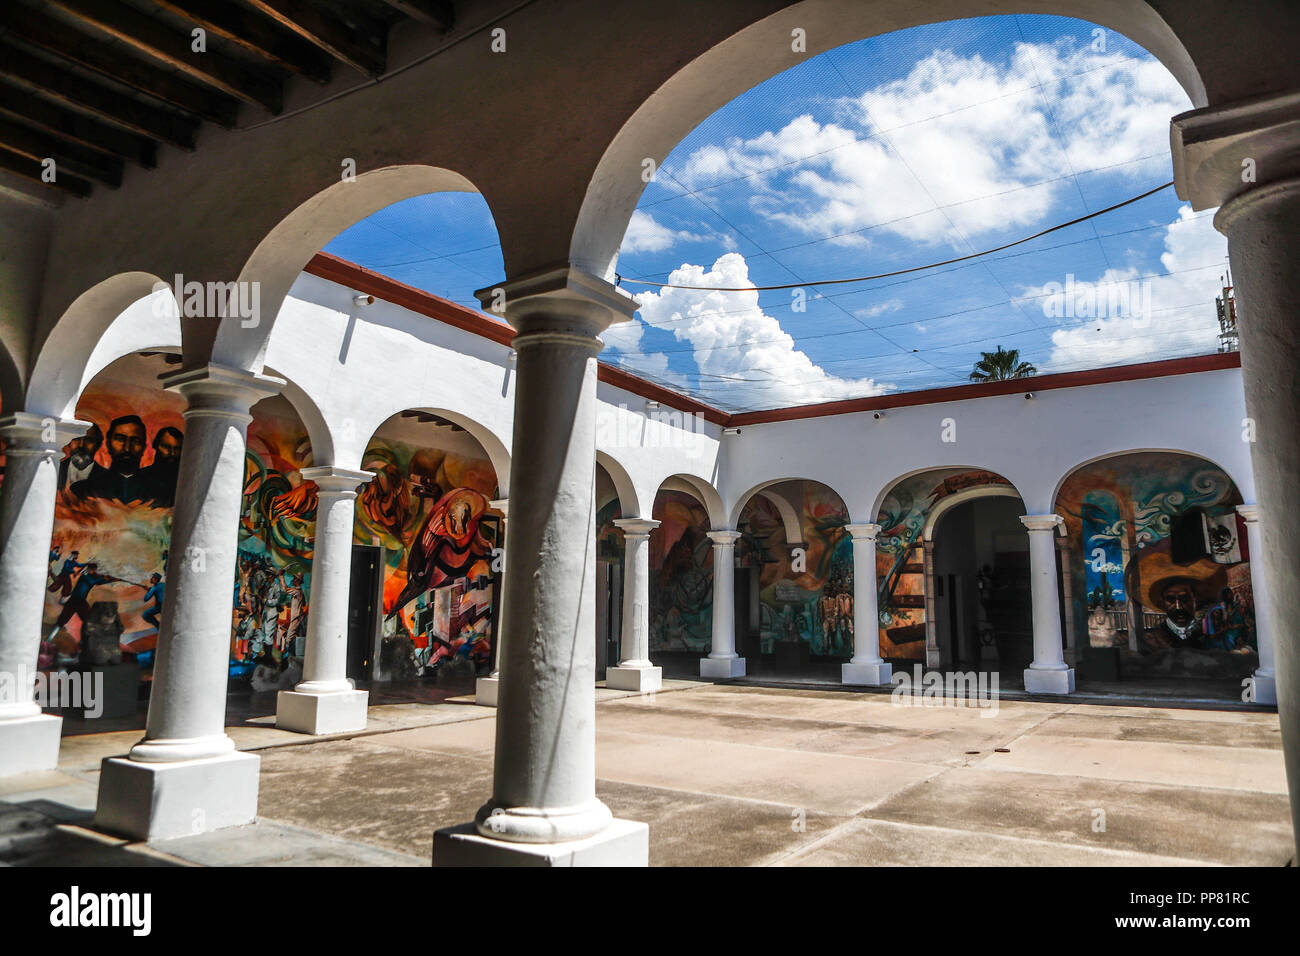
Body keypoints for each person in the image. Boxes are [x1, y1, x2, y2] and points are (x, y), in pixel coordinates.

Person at [70, 415, 152, 503]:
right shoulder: (82, 490)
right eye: (120, 440)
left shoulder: (157, 491)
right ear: (108, 444)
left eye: (135, 441)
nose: (127, 448)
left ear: (144, 447)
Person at [137, 426, 183, 507]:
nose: (172, 453)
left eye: (177, 449)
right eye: (166, 447)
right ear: (156, 446)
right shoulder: (139, 477)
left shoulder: (186, 481)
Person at [57, 423, 102, 492]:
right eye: (76, 439)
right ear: (68, 442)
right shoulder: (55, 470)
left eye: (89, 440)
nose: (81, 445)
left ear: (97, 445)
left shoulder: (107, 477)